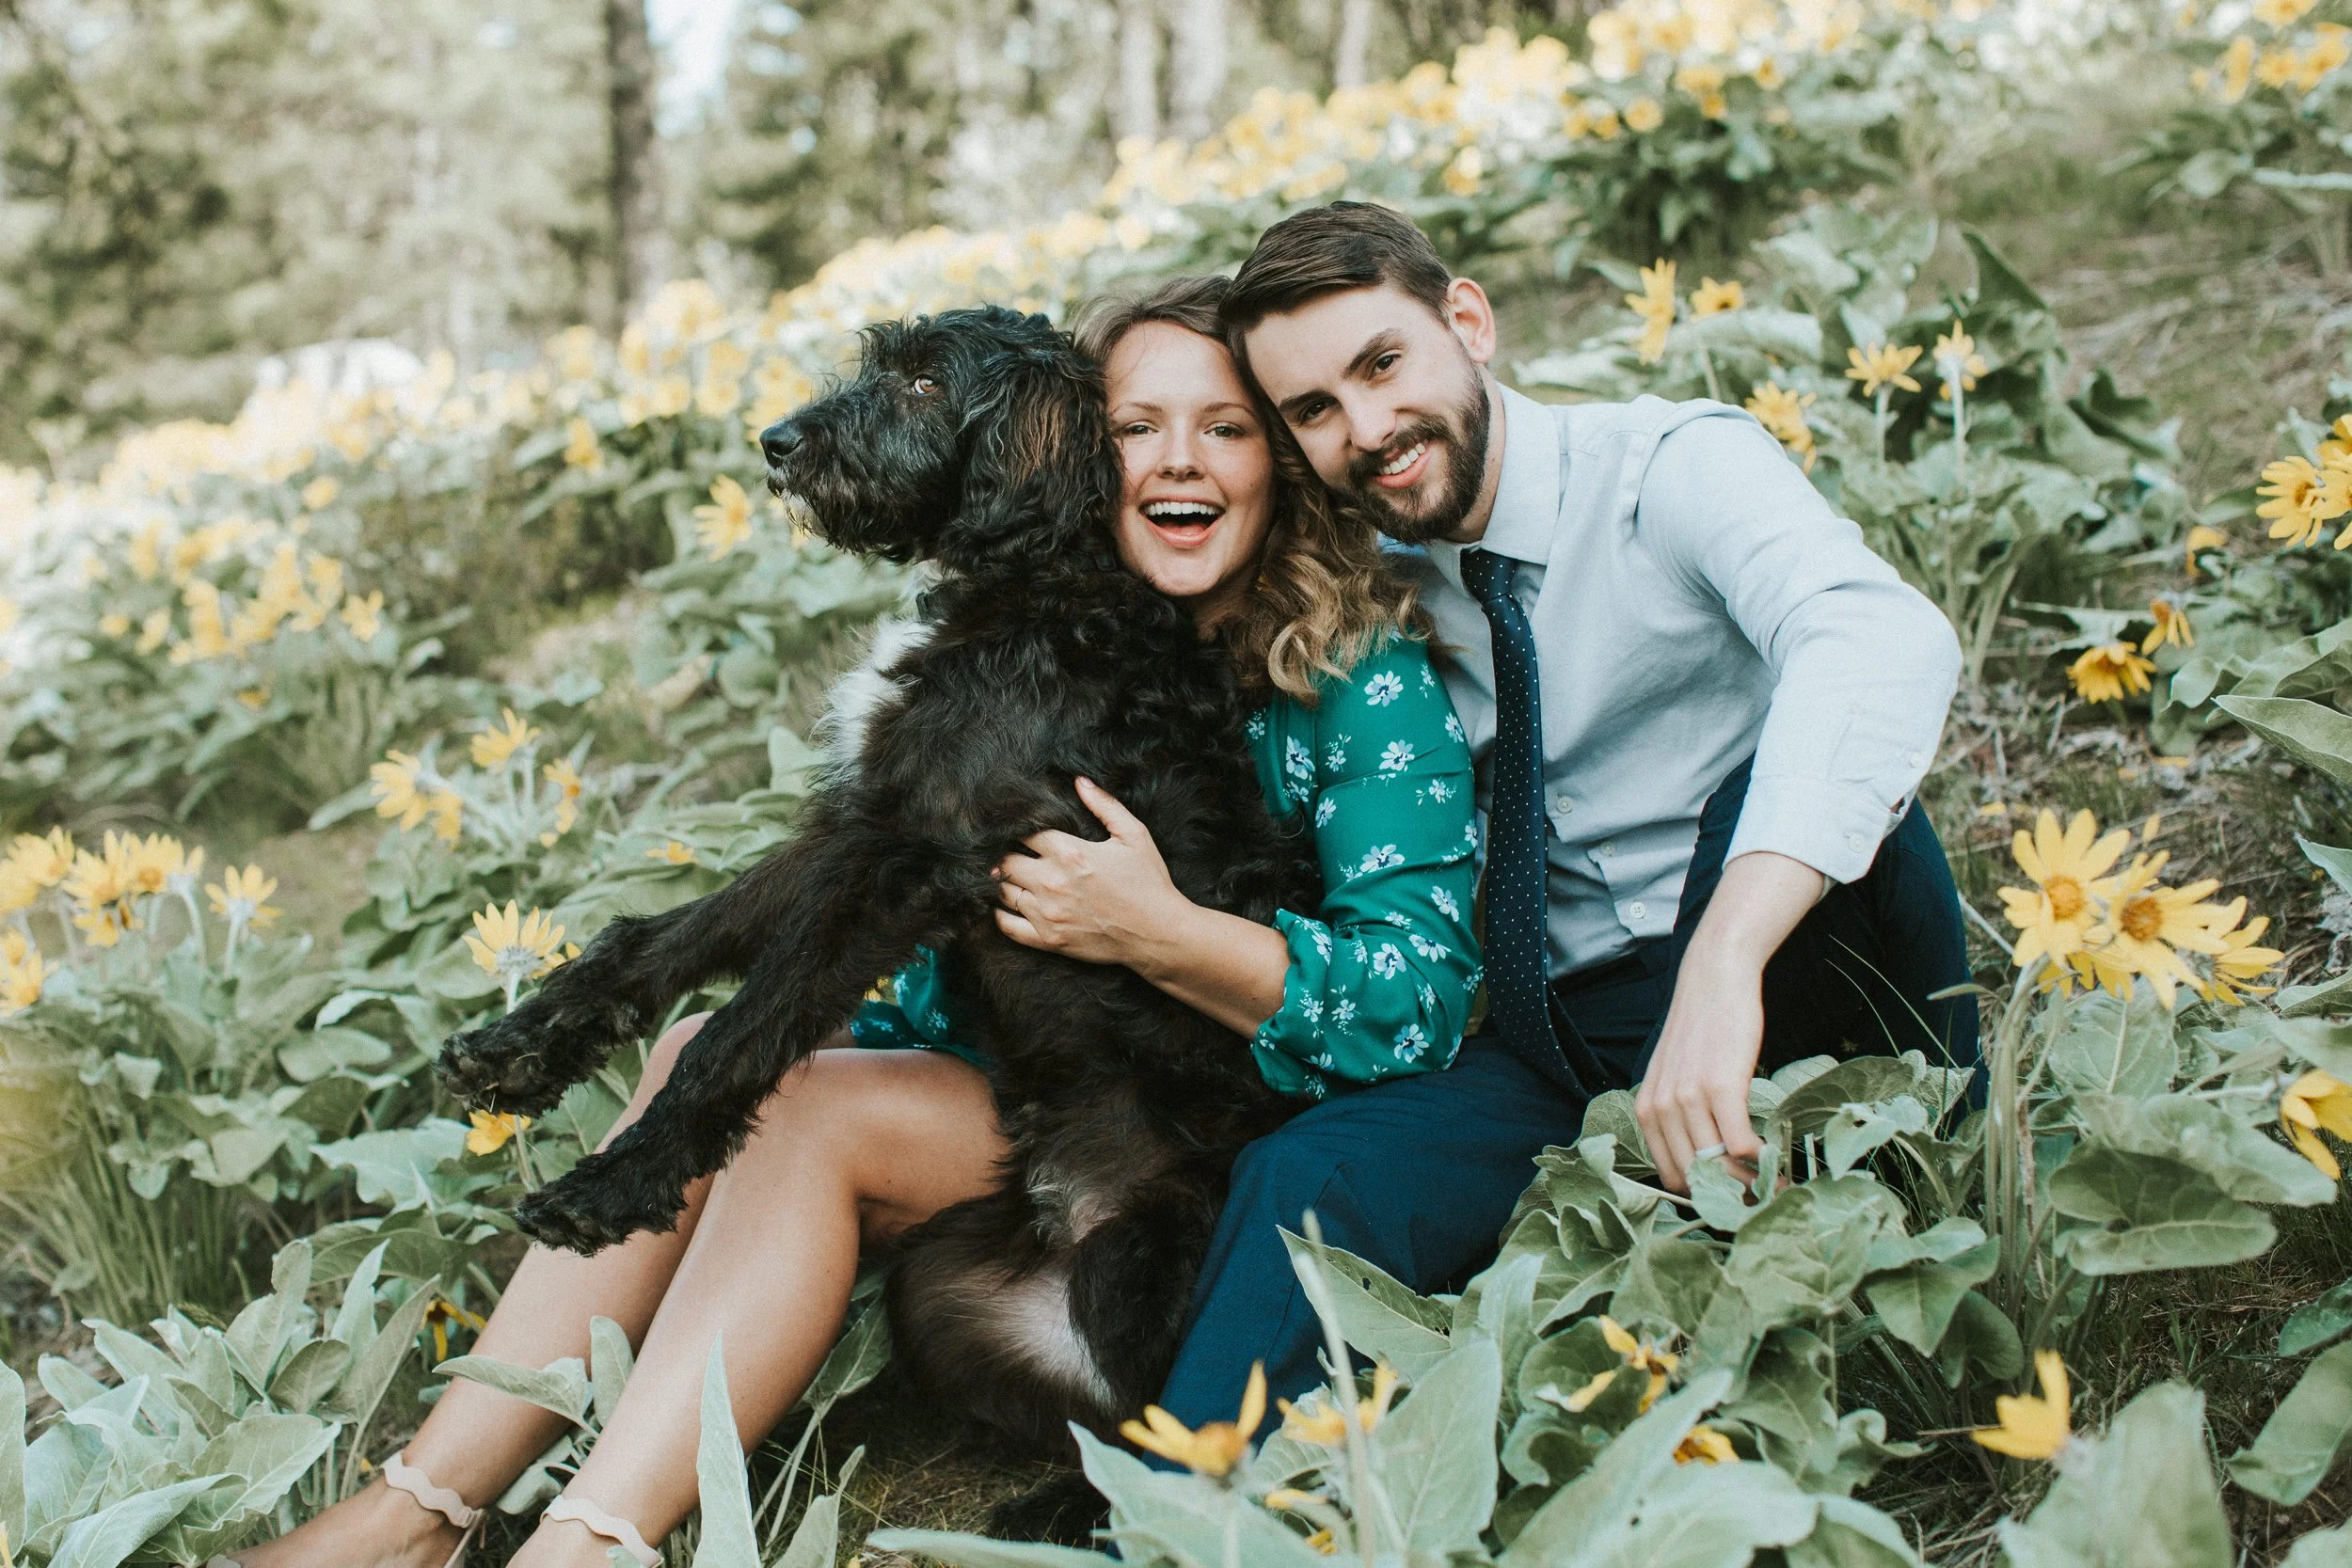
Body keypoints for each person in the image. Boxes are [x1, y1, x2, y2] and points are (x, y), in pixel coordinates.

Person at [215, 274, 1481, 1568]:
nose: (1174, 461)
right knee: (706, 1054)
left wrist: (1158, 929)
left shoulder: (1357, 671)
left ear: (1279, 453)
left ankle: (583, 1545)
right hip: (1051, 1106)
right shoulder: (1063, 631)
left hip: (1217, 1159)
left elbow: (1421, 1005)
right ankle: (420, 1508)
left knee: (800, 1101)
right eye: (1133, 427)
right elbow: (919, 925)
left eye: (1223, 427)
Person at [1144, 202, 1980, 1433]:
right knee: (1308, 1174)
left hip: (1791, 956)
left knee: (1773, 782)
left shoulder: (1671, 468)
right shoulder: (1364, 588)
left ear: (1466, 322)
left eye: (1382, 365)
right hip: (1571, 1036)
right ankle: (1177, 1521)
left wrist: (1725, 962)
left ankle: (1842, 1213)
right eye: (1312, 412)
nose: (1366, 430)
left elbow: (1876, 636)